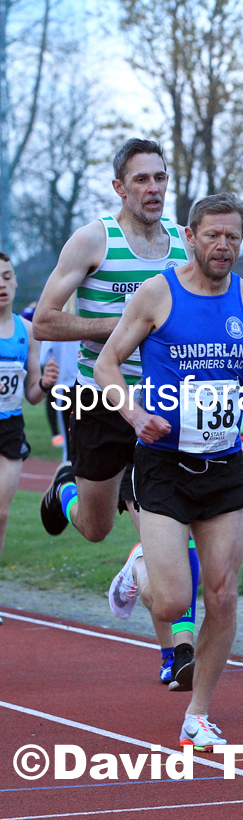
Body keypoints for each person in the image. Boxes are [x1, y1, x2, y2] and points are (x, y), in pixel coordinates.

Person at [94, 192, 243, 750]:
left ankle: (198, 715)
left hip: (225, 466)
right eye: (213, 235)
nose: (223, 246)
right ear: (190, 236)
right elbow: (107, 361)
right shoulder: (157, 294)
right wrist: (134, 413)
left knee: (225, 594)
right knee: (172, 604)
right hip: (162, 465)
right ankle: (141, 568)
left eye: (233, 236)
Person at [32, 138, 199, 685]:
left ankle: (178, 653)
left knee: (173, 529)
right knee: (97, 528)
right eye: (142, 180)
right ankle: (68, 490)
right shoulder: (93, 239)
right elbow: (46, 322)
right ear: (120, 188)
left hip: (164, 408)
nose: (154, 189)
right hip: (99, 402)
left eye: (160, 177)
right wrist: (124, 327)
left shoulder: (183, 242)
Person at [0, 253, 59, 628]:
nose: (1, 285)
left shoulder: (26, 330)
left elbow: (33, 395)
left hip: (10, 427)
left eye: (6, 277)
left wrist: (46, 382)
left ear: (16, 281)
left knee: (2, 514)